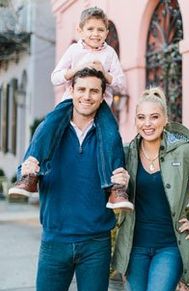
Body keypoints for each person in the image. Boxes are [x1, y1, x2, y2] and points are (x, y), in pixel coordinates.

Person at [17, 68, 130, 291]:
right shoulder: (49, 131)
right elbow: (27, 167)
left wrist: (125, 180)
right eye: (82, 89)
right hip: (55, 240)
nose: (87, 96)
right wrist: (26, 170)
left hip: (95, 243)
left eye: (94, 91)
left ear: (102, 95)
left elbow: (122, 178)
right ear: (71, 90)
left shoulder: (109, 136)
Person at [8, 6, 133, 210]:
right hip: (70, 101)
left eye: (100, 30)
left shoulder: (109, 54)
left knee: (111, 135)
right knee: (47, 126)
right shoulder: (75, 50)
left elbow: (120, 84)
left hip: (100, 104)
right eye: (90, 29)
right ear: (80, 30)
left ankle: (116, 188)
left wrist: (105, 73)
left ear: (107, 33)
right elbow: (55, 77)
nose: (95, 34)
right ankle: (29, 175)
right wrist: (73, 71)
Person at [111, 87, 189, 291]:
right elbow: (108, 185)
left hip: (169, 247)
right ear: (135, 121)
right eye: (141, 117)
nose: (147, 123)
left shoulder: (184, 152)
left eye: (154, 117)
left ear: (165, 120)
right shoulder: (127, 153)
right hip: (134, 248)